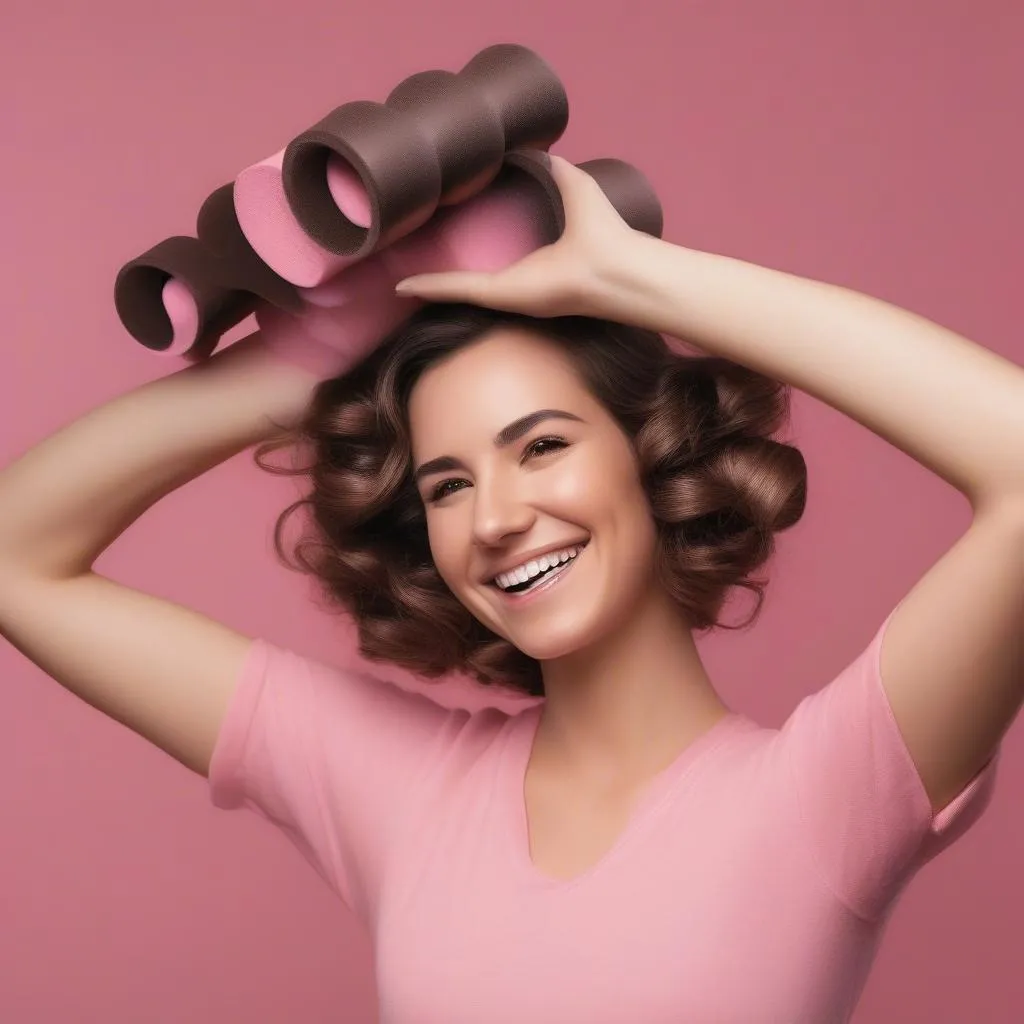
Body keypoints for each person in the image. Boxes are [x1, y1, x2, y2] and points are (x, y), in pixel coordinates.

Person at [1, 155, 1021, 1023]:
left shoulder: (821, 802)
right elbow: (18, 560)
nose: (492, 516)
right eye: (448, 484)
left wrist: (636, 277)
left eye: (540, 445)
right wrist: (293, 367)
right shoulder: (394, 790)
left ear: (652, 456)